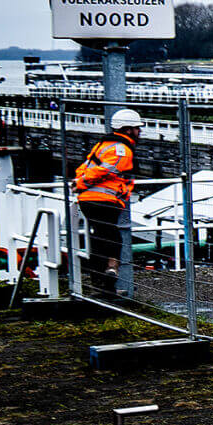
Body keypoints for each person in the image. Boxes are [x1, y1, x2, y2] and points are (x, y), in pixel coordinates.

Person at [73, 107, 141, 297]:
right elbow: (106, 170)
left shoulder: (102, 146)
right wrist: (82, 182)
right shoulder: (122, 149)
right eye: (137, 128)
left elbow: (85, 167)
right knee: (112, 239)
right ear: (127, 129)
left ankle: (102, 285)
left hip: (88, 200)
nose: (139, 132)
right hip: (105, 200)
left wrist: (79, 183)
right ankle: (110, 272)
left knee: (98, 239)